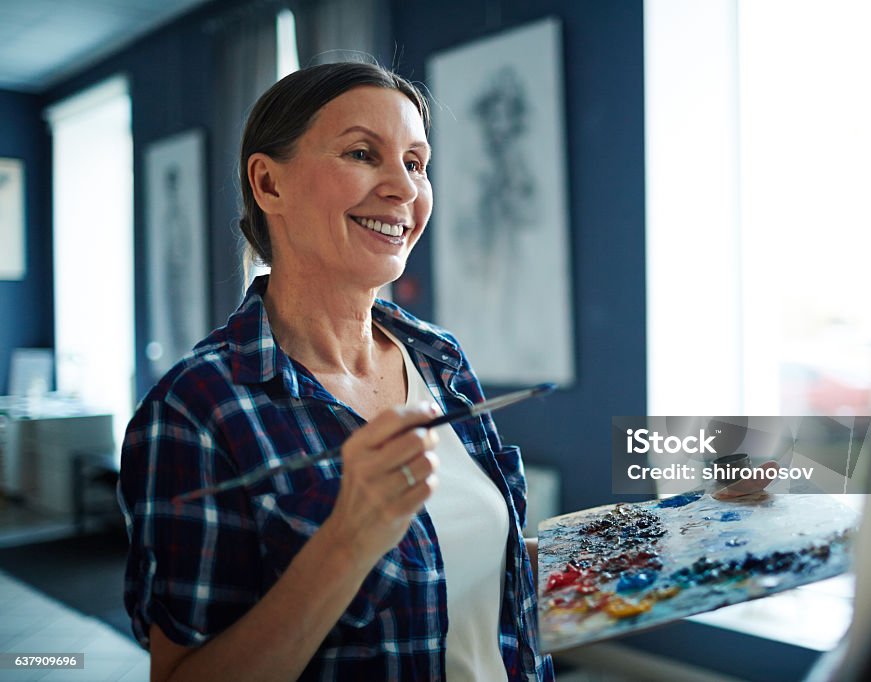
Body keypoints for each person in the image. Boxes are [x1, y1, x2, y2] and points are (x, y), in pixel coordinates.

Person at [118, 61, 554, 681]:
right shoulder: (197, 409)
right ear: (269, 184)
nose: (404, 188)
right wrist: (348, 539)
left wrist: (694, 537)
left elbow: (478, 569)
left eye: (416, 162)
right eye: (361, 152)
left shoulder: (439, 359)